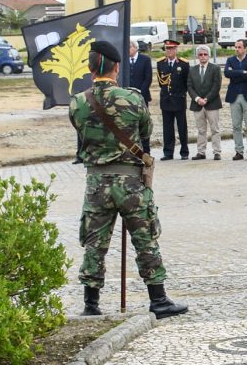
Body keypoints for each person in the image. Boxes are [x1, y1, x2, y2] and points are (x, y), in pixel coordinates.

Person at [68, 40, 187, 319]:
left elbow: (79, 130)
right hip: (131, 182)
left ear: (89, 67)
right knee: (145, 239)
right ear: (117, 67)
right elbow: (146, 130)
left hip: (97, 184)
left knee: (95, 244)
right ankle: (158, 299)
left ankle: (91, 304)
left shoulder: (78, 102)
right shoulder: (133, 99)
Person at [186, 45, 222, 160]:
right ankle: (201, 152)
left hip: (212, 103)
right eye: (200, 54)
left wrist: (206, 99)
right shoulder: (192, 69)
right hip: (197, 104)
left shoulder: (215, 68)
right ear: (197, 56)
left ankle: (217, 152)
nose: (202, 56)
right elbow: (189, 86)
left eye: (205, 54)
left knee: (214, 129)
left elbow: (216, 86)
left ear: (209, 55)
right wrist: (197, 99)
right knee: (201, 130)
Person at [224, 39, 247, 160]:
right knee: (236, 126)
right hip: (234, 96)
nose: (236, 49)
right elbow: (227, 74)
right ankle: (239, 151)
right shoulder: (230, 60)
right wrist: (242, 72)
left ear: (245, 48)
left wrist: (235, 73)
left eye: (239, 47)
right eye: (235, 47)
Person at [156, 39, 189, 160]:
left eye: (171, 48)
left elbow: (186, 82)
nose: (168, 51)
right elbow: (161, 83)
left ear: (176, 50)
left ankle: (184, 152)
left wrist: (180, 94)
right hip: (166, 100)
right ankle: (168, 152)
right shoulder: (160, 63)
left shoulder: (183, 64)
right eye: (167, 49)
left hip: (179, 99)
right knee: (167, 128)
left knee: (182, 127)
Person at [128, 40, 154, 154]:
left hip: (142, 97)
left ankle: (146, 150)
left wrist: (139, 93)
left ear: (135, 48)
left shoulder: (145, 60)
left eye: (129, 47)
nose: (127, 50)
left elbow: (148, 78)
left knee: (143, 123)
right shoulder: (124, 60)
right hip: (127, 98)